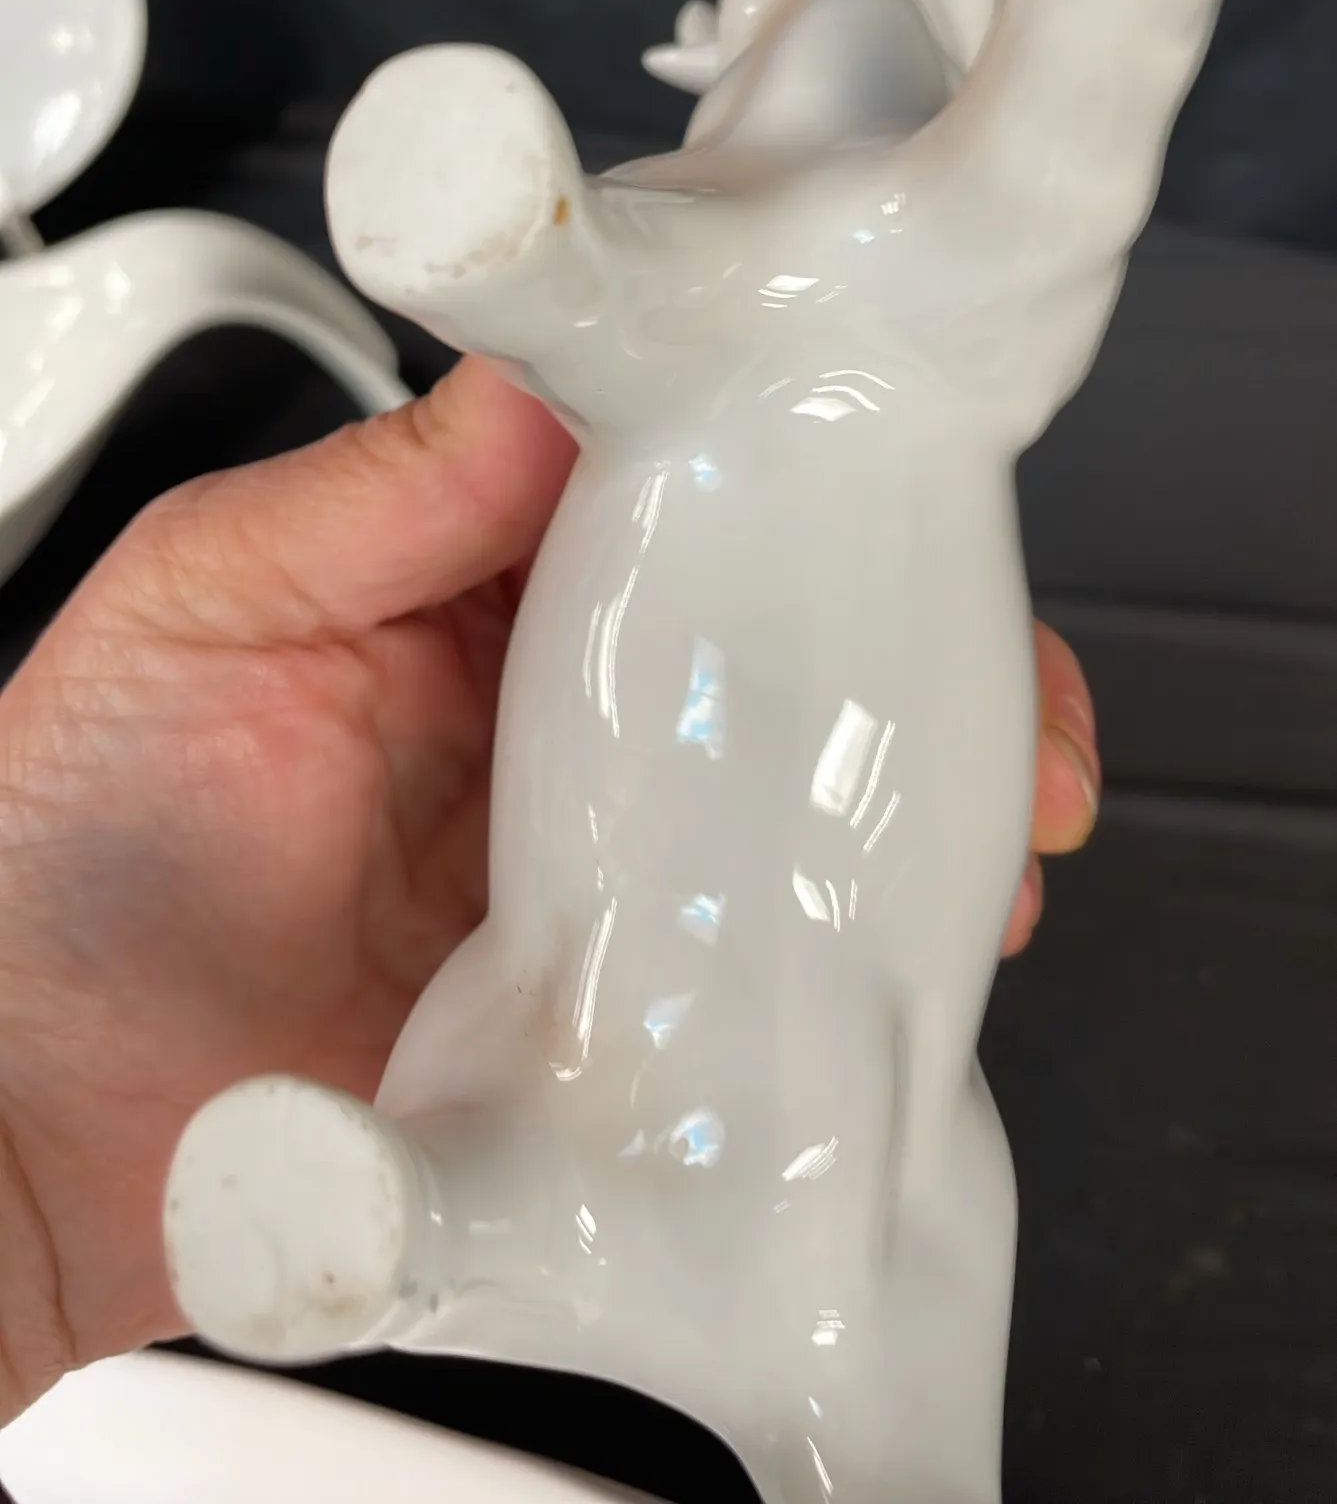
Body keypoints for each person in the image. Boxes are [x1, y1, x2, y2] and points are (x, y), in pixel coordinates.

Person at [0, 357, 1100, 1427]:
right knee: (588, 1162)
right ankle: (430, 1222)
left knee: (821, 1223)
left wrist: (35, 1145)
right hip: (580, 1036)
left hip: (709, 1074)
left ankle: (432, 1224)